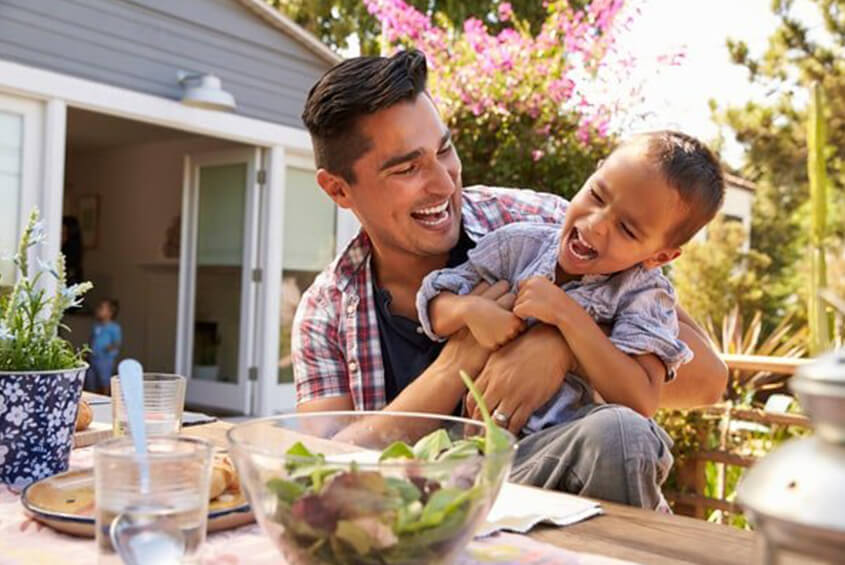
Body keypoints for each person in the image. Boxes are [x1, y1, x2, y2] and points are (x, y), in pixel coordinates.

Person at [293, 49, 728, 509]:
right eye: (407, 168)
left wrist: (560, 345)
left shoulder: (541, 225)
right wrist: (457, 363)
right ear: (338, 189)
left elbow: (706, 379)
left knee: (619, 435)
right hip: (421, 529)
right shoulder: (325, 313)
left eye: (444, 150)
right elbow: (329, 471)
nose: (444, 184)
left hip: (554, 502)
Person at [418, 131, 723, 438]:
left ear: (660, 256)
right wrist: (469, 310)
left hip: (567, 449)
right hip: (479, 444)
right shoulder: (519, 244)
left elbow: (641, 400)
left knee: (633, 437)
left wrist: (567, 317)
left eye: (627, 229)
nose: (596, 224)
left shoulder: (645, 297)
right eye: (597, 196)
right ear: (596, 171)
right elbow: (435, 300)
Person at [85, 298, 122, 395]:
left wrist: (110, 348)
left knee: (104, 380)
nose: (98, 310)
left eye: (101, 308)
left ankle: (105, 397)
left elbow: (117, 342)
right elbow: (92, 339)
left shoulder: (114, 327)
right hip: (93, 358)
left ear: (110, 313)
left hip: (105, 359)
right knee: (91, 380)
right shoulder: (96, 326)